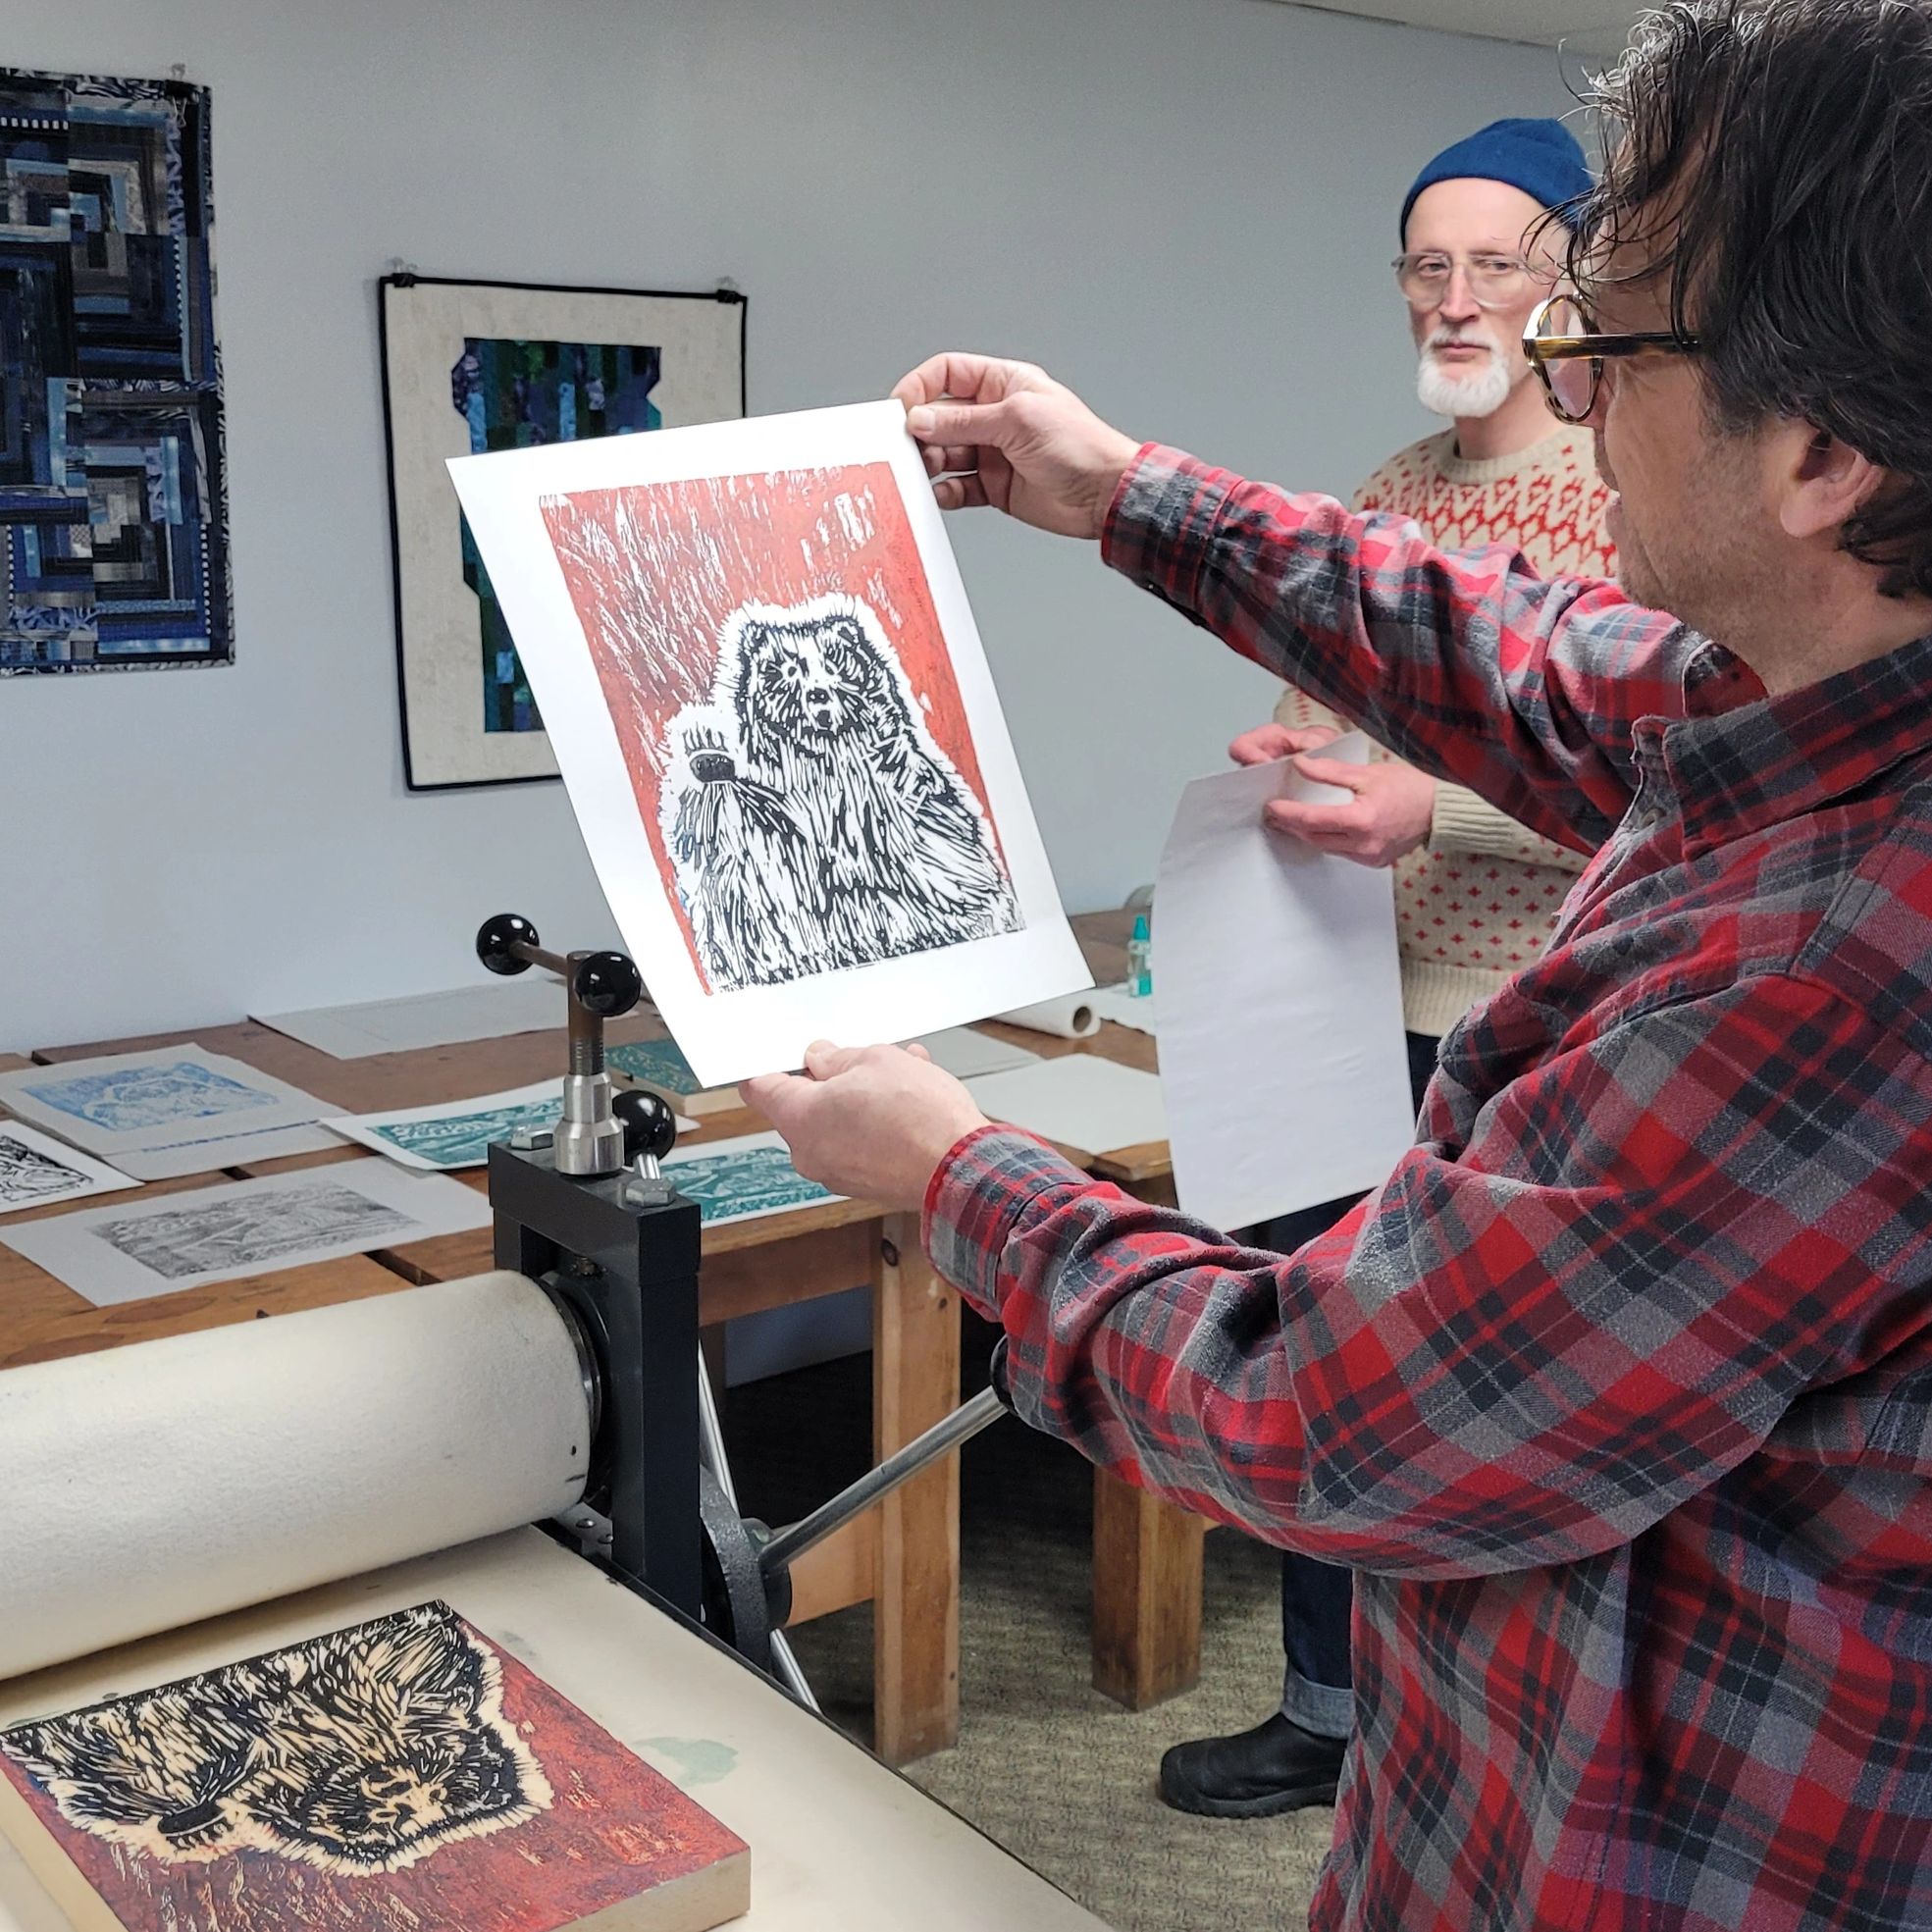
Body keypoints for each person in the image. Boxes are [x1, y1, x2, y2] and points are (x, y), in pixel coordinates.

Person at [747, 2, 1932, 1924]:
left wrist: (953, 1175)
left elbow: (1333, 1411)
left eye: (1601, 336)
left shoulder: (1852, 960)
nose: (1566, 378)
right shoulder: (1811, 685)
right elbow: (1518, 659)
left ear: (1823, 452)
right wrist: (1116, 487)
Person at [1161, 115, 1620, 1825]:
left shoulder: (1626, 499)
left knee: (1499, 1403)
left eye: (1492, 262)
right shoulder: (1384, 496)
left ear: (1570, 281)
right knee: (1325, 1359)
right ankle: (1327, 1711)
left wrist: (1431, 804)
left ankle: (1487, 1741)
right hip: (1350, 1015)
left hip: (1539, 1037)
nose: (1452, 297)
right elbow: (1327, 712)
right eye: (1426, 266)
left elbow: (1658, 779)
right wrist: (1279, 757)